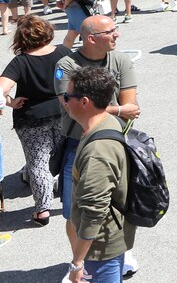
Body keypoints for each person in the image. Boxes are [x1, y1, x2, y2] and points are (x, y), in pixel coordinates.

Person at [54, 16, 140, 278]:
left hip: (113, 142)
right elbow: (68, 105)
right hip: (76, 144)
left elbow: (132, 107)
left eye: (116, 29)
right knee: (74, 211)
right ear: (91, 39)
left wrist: (107, 109)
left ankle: (113, 253)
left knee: (116, 204)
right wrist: (116, 109)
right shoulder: (66, 64)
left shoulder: (121, 60)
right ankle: (81, 261)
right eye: (110, 31)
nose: (117, 34)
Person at [60, 65, 135, 282]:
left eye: (68, 96)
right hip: (109, 239)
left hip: (100, 248)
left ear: (84, 102)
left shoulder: (97, 152)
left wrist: (77, 263)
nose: (65, 101)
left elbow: (94, 212)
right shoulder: (107, 121)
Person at [1, 15, 68, 226]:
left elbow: (2, 89)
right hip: (64, 112)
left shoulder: (20, 62)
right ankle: (71, 198)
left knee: (38, 163)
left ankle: (42, 210)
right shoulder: (63, 52)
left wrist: (10, 102)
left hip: (32, 118)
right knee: (68, 155)